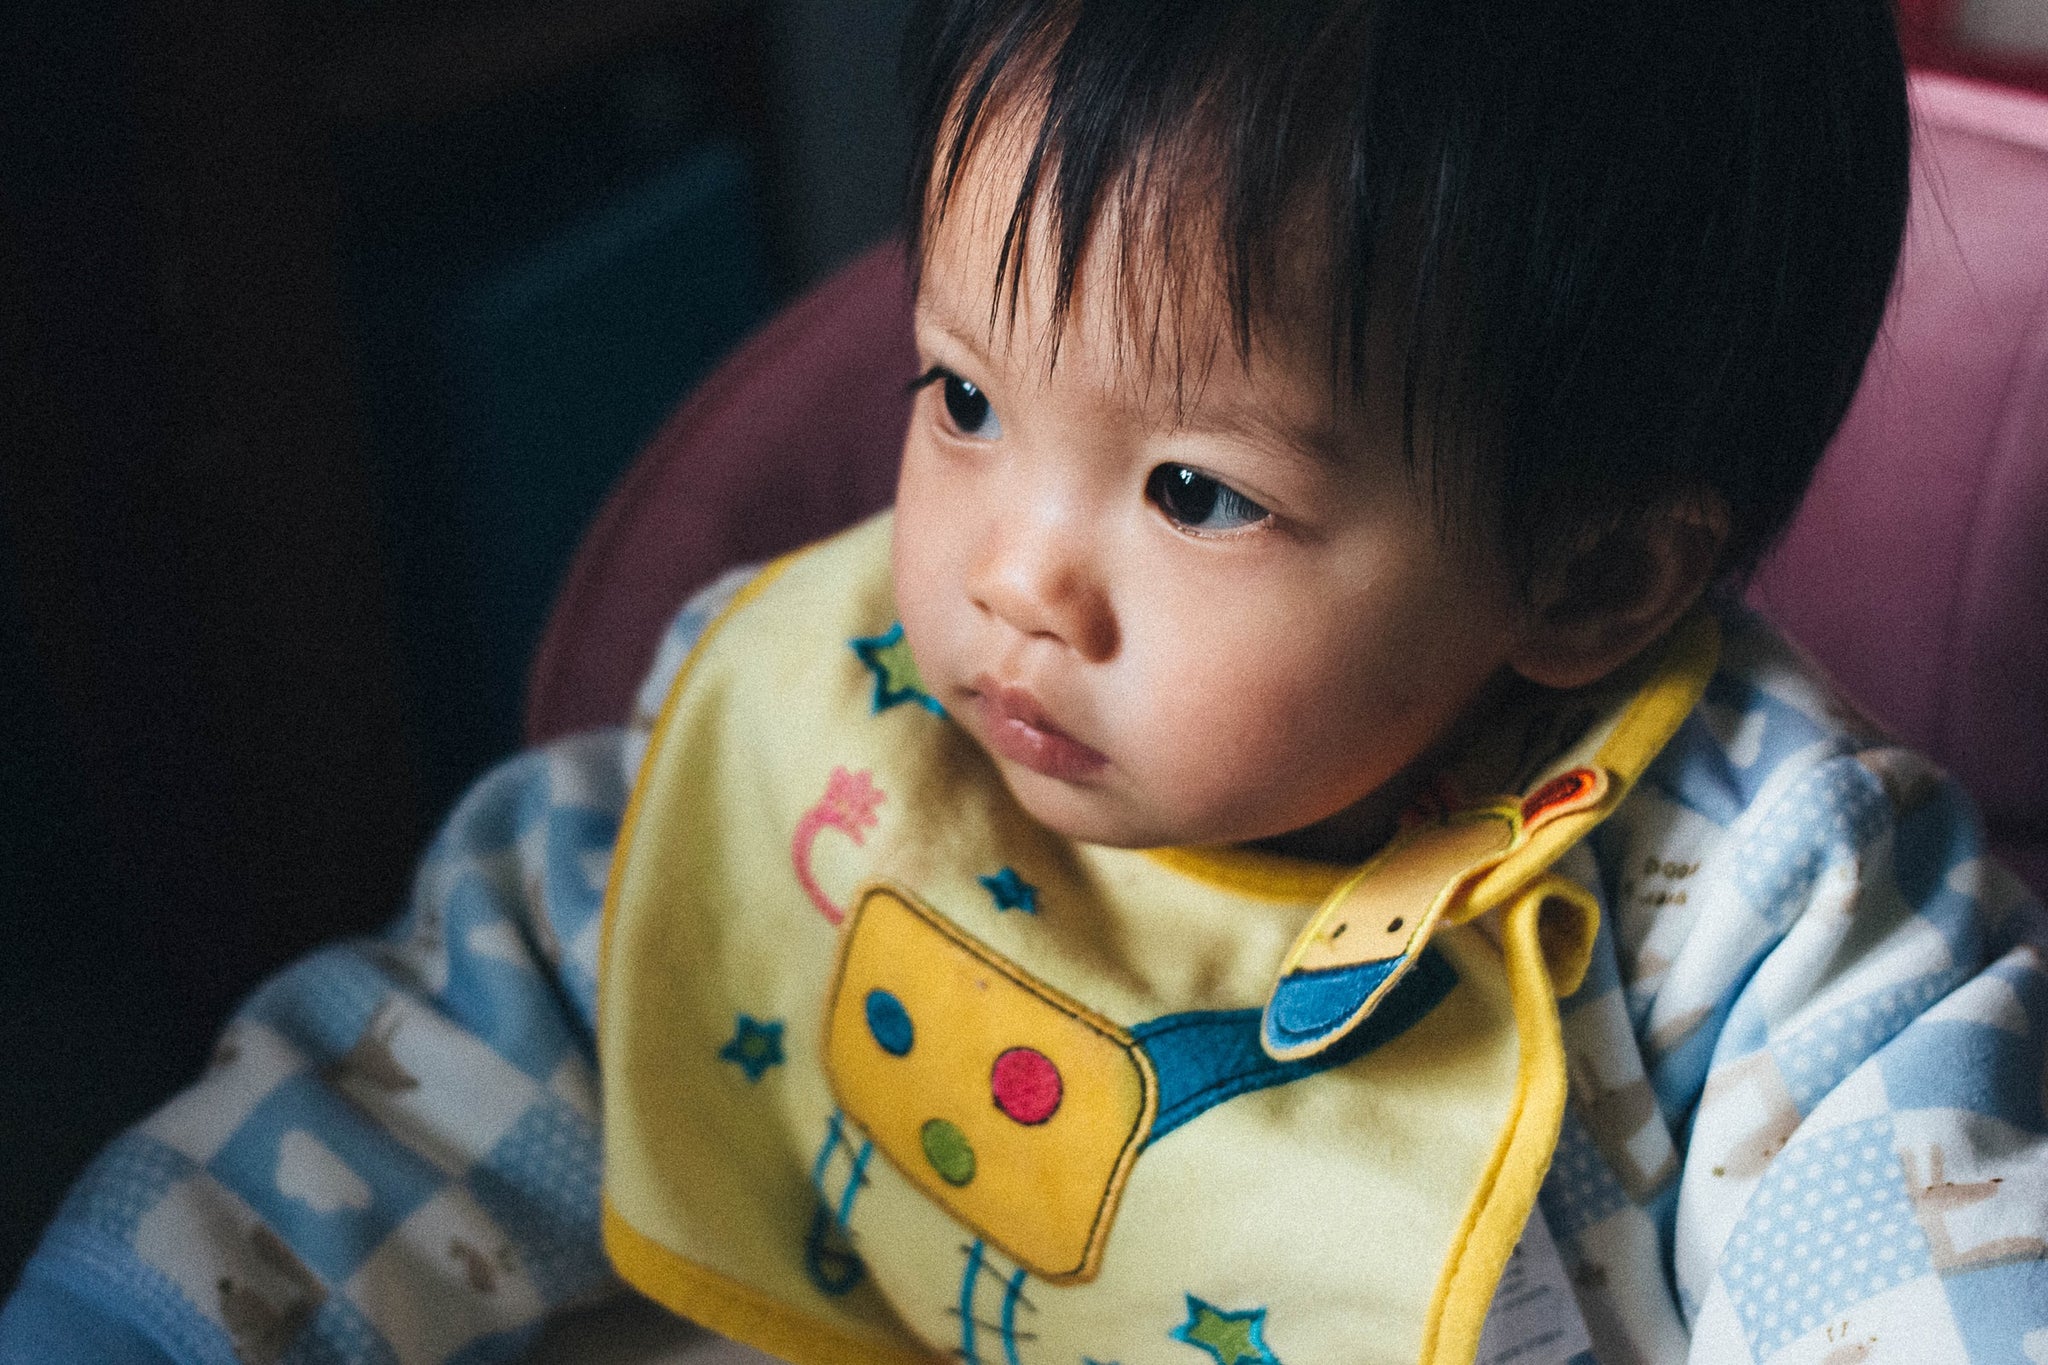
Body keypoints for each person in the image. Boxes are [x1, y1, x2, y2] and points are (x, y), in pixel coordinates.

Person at [7, 0, 2045, 1361]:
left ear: (1588, 573)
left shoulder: (1769, 912)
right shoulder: (828, 731)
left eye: (1192, 491)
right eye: (963, 393)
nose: (1006, 577)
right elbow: (421, 1080)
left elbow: (1924, 1261)